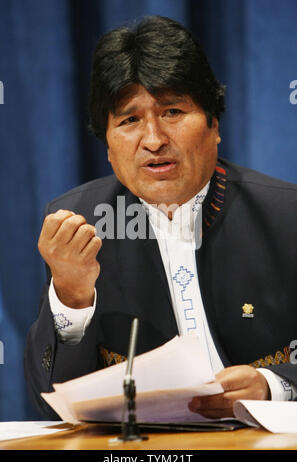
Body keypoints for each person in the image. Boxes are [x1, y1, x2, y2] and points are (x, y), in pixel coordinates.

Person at [25, 16, 297, 420]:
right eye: (129, 120)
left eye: (172, 111)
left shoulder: (286, 216)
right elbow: (51, 400)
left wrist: (275, 385)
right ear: (108, 146)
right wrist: (71, 297)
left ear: (214, 123)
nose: (153, 140)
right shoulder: (80, 225)